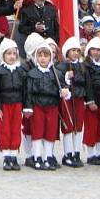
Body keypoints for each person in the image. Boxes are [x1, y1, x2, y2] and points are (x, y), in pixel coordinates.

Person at [23, 39, 66, 171]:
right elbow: (28, 92)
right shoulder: (31, 74)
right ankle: (37, 157)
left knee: (50, 132)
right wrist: (28, 107)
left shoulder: (57, 74)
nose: (43, 58)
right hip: (37, 106)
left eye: (46, 56)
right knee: (37, 131)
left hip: (52, 106)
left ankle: (48, 156)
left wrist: (64, 91)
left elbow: (63, 87)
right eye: (40, 55)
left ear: (50, 57)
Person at [0, 38, 26, 171]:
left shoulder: (20, 71)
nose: (12, 56)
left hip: (16, 104)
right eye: (8, 53)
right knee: (4, 129)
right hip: (4, 105)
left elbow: (24, 90)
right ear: (2, 55)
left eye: (14, 53)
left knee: (16, 128)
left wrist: (25, 107)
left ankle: (14, 155)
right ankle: (6, 156)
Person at [57, 36, 87, 168]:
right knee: (68, 127)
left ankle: (77, 153)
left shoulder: (82, 66)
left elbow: (86, 82)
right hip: (68, 99)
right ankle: (68, 154)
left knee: (78, 127)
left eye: (77, 50)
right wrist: (67, 79)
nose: (75, 53)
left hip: (79, 97)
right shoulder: (62, 66)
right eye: (73, 50)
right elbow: (59, 82)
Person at [81, 37, 100, 166]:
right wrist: (90, 101)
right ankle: (90, 154)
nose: (96, 52)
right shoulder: (86, 66)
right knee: (91, 127)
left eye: (99, 50)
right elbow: (88, 85)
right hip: (92, 100)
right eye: (94, 50)